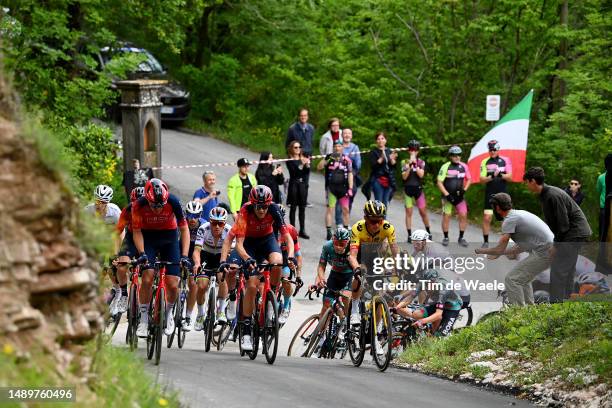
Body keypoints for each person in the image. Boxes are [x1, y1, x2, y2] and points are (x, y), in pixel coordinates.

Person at [219, 185, 295, 351]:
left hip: (267, 240)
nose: (262, 210)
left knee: (277, 260)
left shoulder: (273, 209)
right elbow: (238, 244)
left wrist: (290, 257)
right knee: (252, 286)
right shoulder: (245, 211)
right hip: (249, 244)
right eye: (259, 206)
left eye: (265, 206)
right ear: (253, 204)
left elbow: (287, 237)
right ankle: (246, 331)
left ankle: (271, 298)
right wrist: (247, 259)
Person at [132, 179, 192, 337]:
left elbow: (184, 229)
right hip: (148, 238)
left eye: (161, 205)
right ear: (147, 199)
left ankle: (169, 312)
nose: (158, 209)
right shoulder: (138, 204)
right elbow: (136, 231)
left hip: (169, 238)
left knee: (173, 284)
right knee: (147, 277)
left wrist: (185, 255)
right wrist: (142, 253)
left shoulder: (173, 201)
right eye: (154, 205)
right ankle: (144, 319)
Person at [523, 167, 592, 302]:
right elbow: (554, 224)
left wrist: (555, 245)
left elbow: (563, 224)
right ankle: (567, 303)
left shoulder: (552, 195)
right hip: (571, 233)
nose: (526, 185)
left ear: (532, 181)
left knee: (558, 271)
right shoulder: (545, 195)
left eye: (526, 182)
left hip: (574, 233)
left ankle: (556, 307)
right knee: (567, 269)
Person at [475, 193, 554, 306]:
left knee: (512, 279)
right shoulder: (518, 214)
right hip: (549, 249)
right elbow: (519, 247)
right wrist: (502, 253)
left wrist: (488, 253)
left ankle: (518, 315)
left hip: (545, 252)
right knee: (523, 279)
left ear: (497, 208)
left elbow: (500, 248)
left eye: (494, 208)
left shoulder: (509, 221)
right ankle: (530, 312)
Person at [348, 200, 399, 324]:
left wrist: (397, 267)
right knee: (359, 276)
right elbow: (352, 256)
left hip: (374, 254)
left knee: (379, 293)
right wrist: (357, 268)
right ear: (365, 218)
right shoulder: (358, 228)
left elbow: (394, 252)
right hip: (359, 253)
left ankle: (376, 331)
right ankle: (354, 309)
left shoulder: (388, 227)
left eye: (379, 221)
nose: (376, 225)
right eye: (373, 221)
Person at [191, 207, 233, 330]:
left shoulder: (229, 231)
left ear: (224, 223)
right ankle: (200, 314)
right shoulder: (203, 229)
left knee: (222, 277)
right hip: (206, 255)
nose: (217, 226)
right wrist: (197, 263)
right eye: (214, 222)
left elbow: (230, 252)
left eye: (220, 223)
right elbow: (197, 251)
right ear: (210, 221)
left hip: (222, 255)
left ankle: (220, 310)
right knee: (202, 285)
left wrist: (226, 265)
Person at [393, 269, 463, 337]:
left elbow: (438, 314)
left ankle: (434, 336)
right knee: (416, 314)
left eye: (429, 283)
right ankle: (430, 331)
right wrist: (397, 307)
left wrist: (422, 321)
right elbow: (411, 297)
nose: (427, 286)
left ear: (435, 282)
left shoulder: (442, 290)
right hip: (439, 303)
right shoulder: (424, 283)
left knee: (439, 336)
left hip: (452, 307)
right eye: (426, 284)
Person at [111, 187, 145, 315]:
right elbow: (117, 232)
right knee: (121, 266)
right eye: (135, 203)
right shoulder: (127, 210)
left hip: (149, 238)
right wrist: (115, 254)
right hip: (131, 238)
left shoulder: (150, 211)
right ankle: (124, 294)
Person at [315, 227, 360, 323]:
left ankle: (347, 324)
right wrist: (321, 279)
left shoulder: (353, 248)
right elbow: (321, 265)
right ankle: (321, 335)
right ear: (333, 240)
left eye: (342, 244)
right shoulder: (327, 246)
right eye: (336, 243)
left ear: (347, 242)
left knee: (345, 297)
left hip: (349, 275)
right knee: (326, 304)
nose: (338, 247)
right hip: (335, 275)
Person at [479, 140, 513, 248]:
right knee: (487, 217)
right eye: (490, 150)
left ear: (498, 149)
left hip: (503, 193)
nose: (492, 151)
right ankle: (485, 241)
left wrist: (501, 174)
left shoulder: (505, 160)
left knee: (506, 218)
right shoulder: (485, 161)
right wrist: (492, 176)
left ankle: (507, 242)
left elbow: (510, 177)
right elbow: (482, 179)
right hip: (490, 193)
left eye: (494, 149)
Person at [437, 145, 472, 247]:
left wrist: (464, 190)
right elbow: (439, 182)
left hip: (459, 196)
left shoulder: (464, 166)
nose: (457, 157)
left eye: (459, 155)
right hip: (447, 197)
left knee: (463, 215)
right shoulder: (445, 166)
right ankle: (446, 237)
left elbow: (470, 179)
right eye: (455, 155)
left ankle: (461, 237)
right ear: (450, 156)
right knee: (447, 216)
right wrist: (446, 194)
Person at [318, 139, 353, 239]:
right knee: (330, 209)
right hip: (331, 188)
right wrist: (326, 159)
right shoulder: (330, 158)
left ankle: (346, 230)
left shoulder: (347, 159)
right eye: (335, 146)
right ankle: (329, 231)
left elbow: (350, 174)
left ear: (342, 147)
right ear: (333, 148)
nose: (337, 148)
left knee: (346, 210)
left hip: (344, 188)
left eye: (339, 146)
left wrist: (350, 188)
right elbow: (319, 167)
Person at [400, 140, 431, 243]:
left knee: (423, 212)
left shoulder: (421, 162)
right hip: (408, 189)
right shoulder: (404, 162)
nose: (413, 152)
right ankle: (409, 235)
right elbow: (404, 177)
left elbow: (421, 175)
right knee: (409, 212)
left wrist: (415, 164)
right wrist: (409, 166)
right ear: (409, 151)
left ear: (418, 151)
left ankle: (428, 231)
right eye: (412, 149)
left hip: (418, 189)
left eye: (415, 150)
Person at [277, 205, 303, 324]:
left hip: (286, 259)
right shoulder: (266, 228)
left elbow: (298, 254)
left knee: (285, 278)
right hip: (271, 258)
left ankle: (286, 306)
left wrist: (298, 275)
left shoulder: (291, 230)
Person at [181, 200, 204, 331]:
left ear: (200, 215)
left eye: (196, 216)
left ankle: (188, 316)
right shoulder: (181, 223)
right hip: (182, 250)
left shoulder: (205, 225)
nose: (192, 219)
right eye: (190, 215)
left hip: (197, 252)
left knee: (193, 284)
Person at [286, 141, 311, 239]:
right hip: (294, 184)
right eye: (296, 147)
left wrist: (307, 164)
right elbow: (294, 172)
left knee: (302, 208)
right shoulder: (289, 160)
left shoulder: (303, 158)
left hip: (302, 185)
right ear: (292, 148)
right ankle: (292, 230)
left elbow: (306, 172)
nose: (298, 149)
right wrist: (302, 163)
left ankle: (302, 230)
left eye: (299, 147)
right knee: (293, 207)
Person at [368, 131, 397, 207]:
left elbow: (394, 167)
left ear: (386, 140)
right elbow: (373, 167)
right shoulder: (373, 152)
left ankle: (383, 219)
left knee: (385, 204)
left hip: (388, 180)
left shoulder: (390, 151)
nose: (380, 140)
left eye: (382, 138)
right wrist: (381, 159)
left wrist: (392, 160)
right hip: (378, 180)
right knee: (379, 204)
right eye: (378, 139)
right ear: (376, 141)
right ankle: (377, 218)